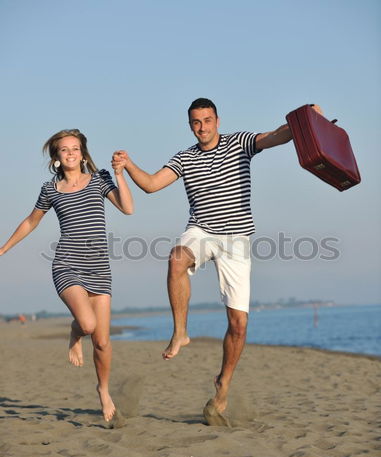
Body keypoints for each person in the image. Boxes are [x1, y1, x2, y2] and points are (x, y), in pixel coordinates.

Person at [112, 98, 322, 425]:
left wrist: (306, 119)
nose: (202, 127)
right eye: (196, 122)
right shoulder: (185, 158)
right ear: (190, 125)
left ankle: (222, 385)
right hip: (202, 230)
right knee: (176, 259)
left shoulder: (240, 143)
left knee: (238, 325)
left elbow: (278, 136)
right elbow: (152, 185)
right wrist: (129, 165)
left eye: (207, 120)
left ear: (218, 121)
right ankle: (180, 332)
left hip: (237, 240)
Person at [0, 129, 134, 422]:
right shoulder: (50, 189)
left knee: (102, 342)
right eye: (64, 149)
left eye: (76, 148)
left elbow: (127, 208)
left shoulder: (100, 180)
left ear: (83, 154)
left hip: (99, 268)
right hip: (67, 264)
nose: (71, 153)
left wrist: (120, 175)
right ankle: (75, 332)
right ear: (57, 158)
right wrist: (3, 249)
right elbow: (30, 221)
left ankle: (103, 389)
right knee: (87, 324)